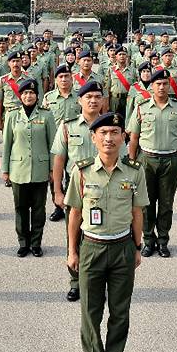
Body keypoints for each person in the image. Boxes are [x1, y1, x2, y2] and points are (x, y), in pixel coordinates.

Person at [65, 112, 146, 352]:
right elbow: (75, 213)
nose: (109, 138)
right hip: (92, 247)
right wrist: (72, 251)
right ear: (94, 137)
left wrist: (137, 247)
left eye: (115, 132)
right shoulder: (82, 171)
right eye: (104, 133)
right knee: (90, 310)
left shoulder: (134, 171)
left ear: (124, 137)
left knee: (120, 310)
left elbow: (137, 212)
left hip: (122, 247)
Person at [126, 68, 177, 258]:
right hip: (147, 160)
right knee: (146, 203)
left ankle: (163, 240)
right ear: (152, 86)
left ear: (169, 85)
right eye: (158, 84)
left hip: (170, 160)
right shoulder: (142, 107)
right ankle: (148, 240)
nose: (162, 87)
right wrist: (131, 162)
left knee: (166, 204)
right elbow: (134, 137)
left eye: (165, 83)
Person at [51, 81, 104, 301]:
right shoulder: (67, 126)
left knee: (101, 240)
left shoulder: (109, 127)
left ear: (102, 101)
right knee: (74, 238)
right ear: (79, 100)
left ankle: (96, 283)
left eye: (97, 97)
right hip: (76, 193)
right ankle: (75, 282)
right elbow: (59, 160)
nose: (93, 100)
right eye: (88, 97)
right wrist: (57, 191)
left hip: (104, 192)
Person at [1, 79, 57, 257]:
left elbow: (53, 146)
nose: (28, 96)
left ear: (37, 95)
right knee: (21, 208)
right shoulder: (12, 115)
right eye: (25, 93)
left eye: (31, 93)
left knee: (39, 210)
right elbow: (7, 144)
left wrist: (52, 170)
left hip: (40, 169)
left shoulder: (46, 115)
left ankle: (36, 243)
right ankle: (23, 242)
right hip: (18, 169)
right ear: (20, 96)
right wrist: (5, 170)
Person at [42, 64, 82, 222]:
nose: (64, 79)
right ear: (56, 80)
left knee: (73, 174)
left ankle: (73, 204)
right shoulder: (49, 97)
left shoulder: (80, 96)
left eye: (67, 76)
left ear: (72, 78)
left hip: (75, 142)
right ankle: (58, 205)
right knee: (55, 175)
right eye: (61, 77)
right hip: (55, 143)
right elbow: (44, 120)